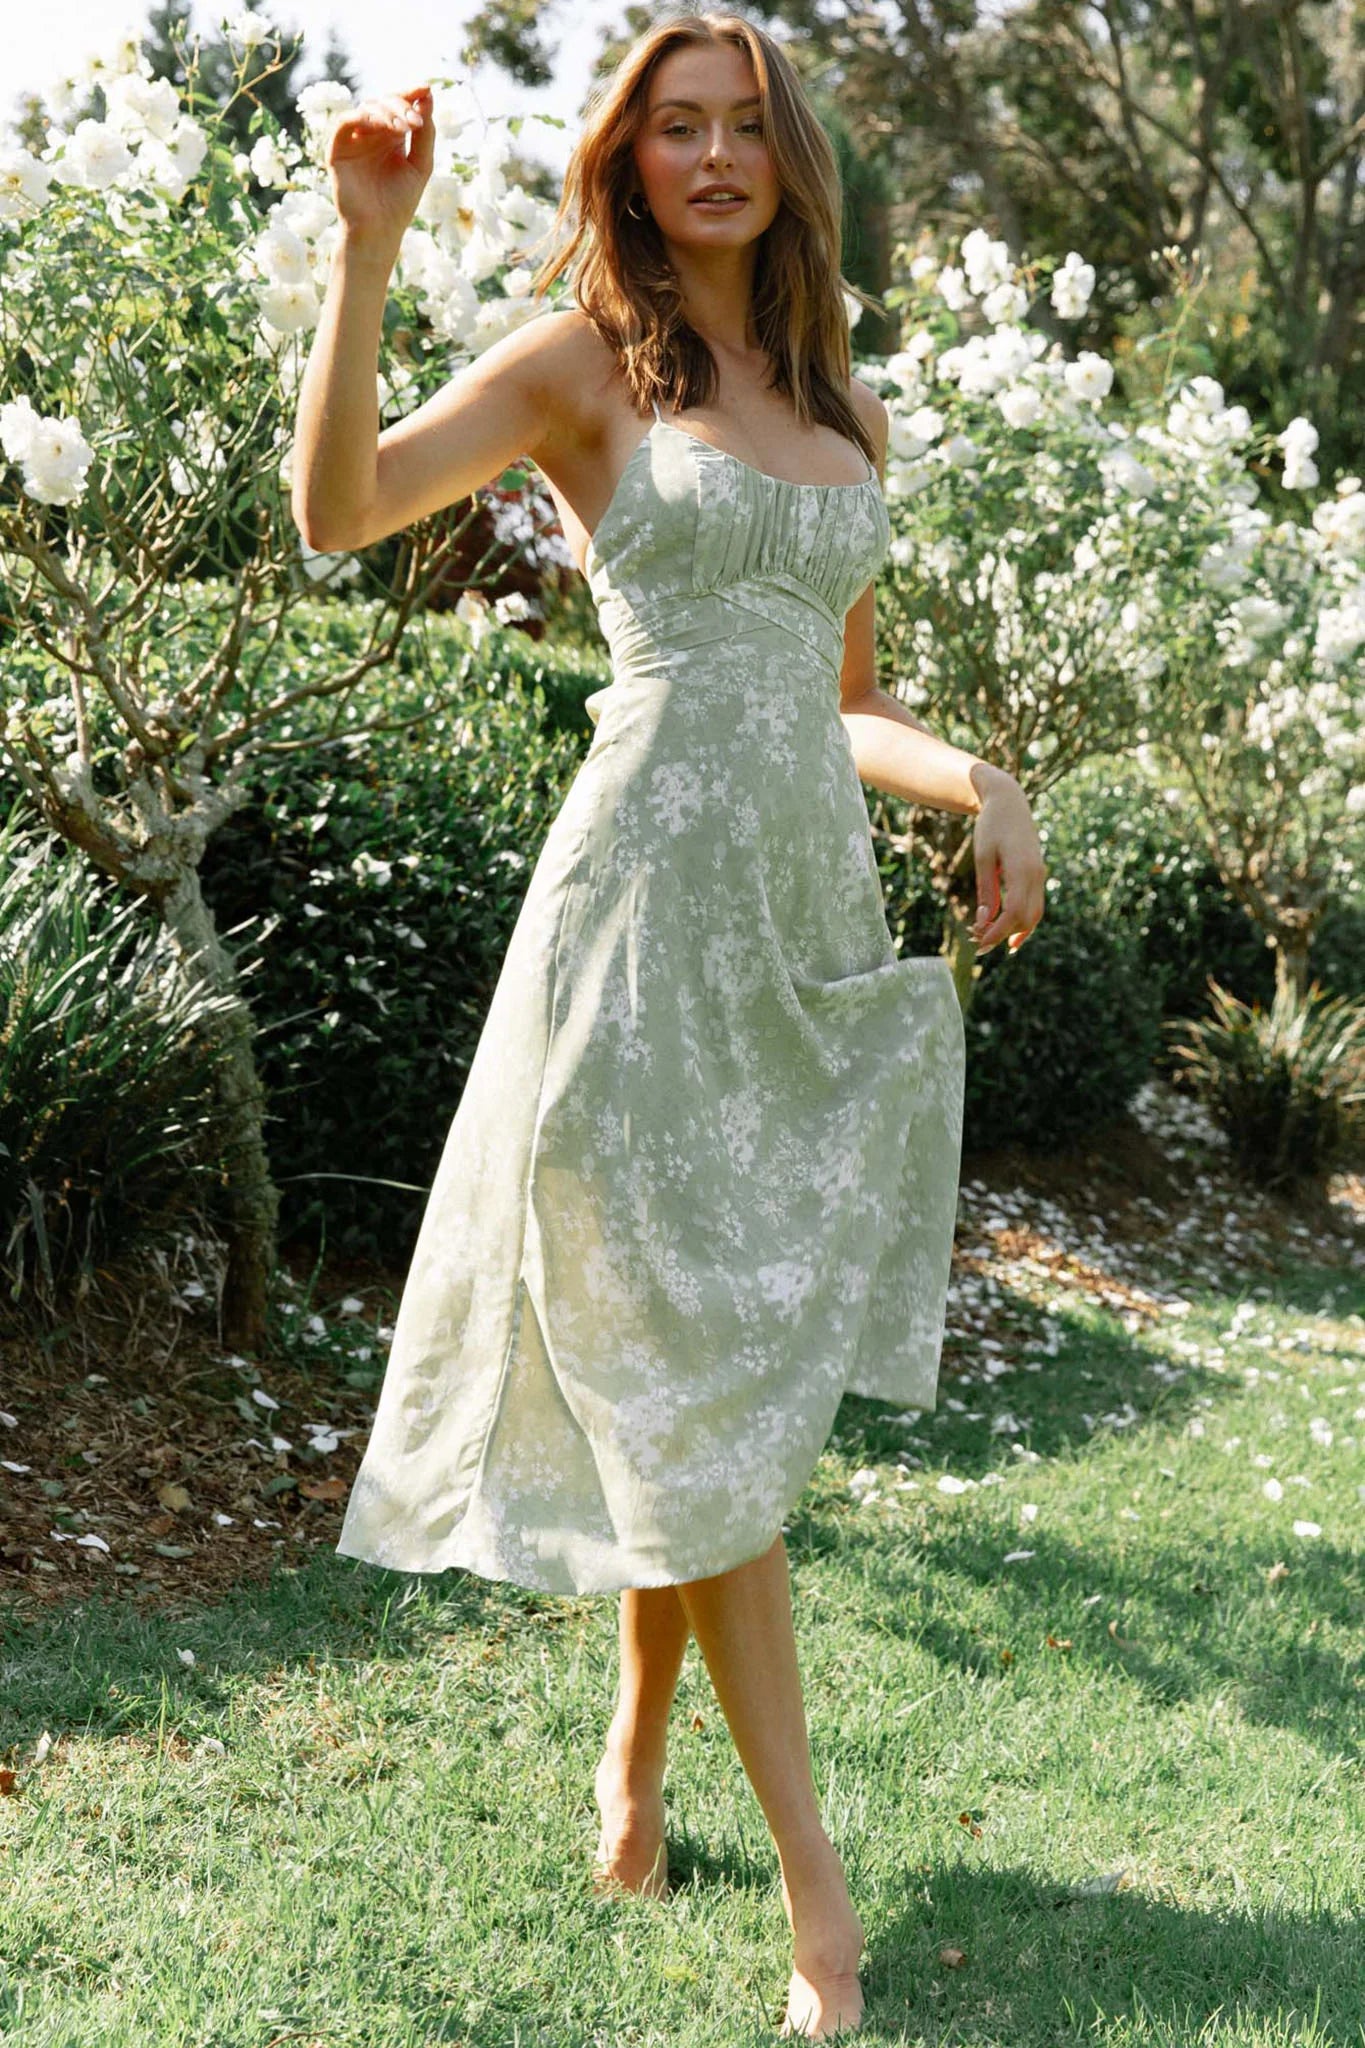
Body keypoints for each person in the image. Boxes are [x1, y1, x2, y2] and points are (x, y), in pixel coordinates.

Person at [292, 11, 1045, 2037]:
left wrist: (978, 778)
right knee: (690, 1376)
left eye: (741, 127)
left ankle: (632, 1748)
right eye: (672, 128)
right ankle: (818, 1894)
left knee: (703, 1364)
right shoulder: (584, 367)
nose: (710, 156)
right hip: (627, 926)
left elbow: (836, 700)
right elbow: (339, 509)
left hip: (787, 929)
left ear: (788, 159)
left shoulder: (841, 408)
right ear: (627, 160)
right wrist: (367, 249)